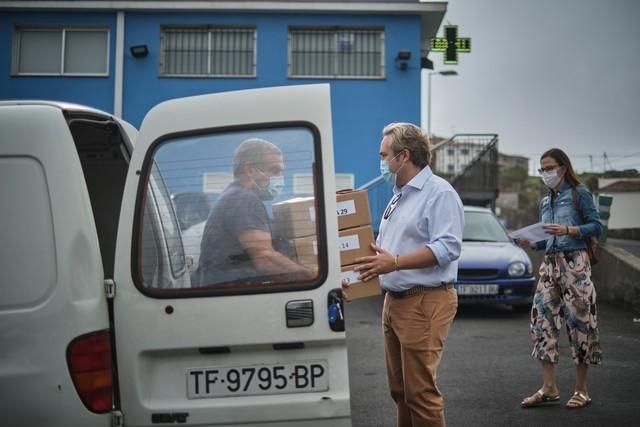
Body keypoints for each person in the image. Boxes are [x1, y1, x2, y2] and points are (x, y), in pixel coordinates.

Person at [345, 122, 464, 427]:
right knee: (400, 391)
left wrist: (394, 263)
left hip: (424, 302)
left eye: (384, 155)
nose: (381, 162)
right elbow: (388, 249)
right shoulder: (399, 194)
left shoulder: (439, 193)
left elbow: (448, 248)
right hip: (394, 303)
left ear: (404, 155)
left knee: (420, 394)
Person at [518, 148, 602, 410]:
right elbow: (548, 238)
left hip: (575, 263)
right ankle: (549, 388)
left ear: (563, 168)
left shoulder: (580, 194)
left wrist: (570, 229)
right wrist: (531, 242)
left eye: (549, 168)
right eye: (542, 169)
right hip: (550, 264)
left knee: (580, 323)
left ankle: (581, 390)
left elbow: (597, 226)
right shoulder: (545, 201)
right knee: (540, 321)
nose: (545, 173)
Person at [196, 138, 312, 286]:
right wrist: (312, 275)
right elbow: (265, 259)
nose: (280, 178)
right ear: (250, 169)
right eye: (274, 170)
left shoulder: (233, 195)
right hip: (234, 297)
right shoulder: (244, 199)